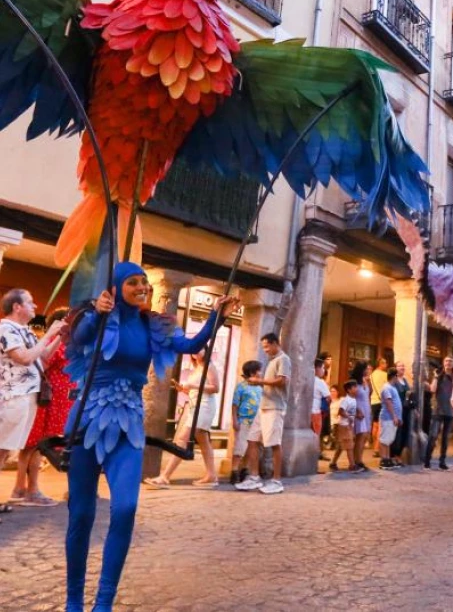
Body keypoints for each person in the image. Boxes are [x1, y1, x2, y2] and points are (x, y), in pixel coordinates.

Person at [64, 262, 237, 612]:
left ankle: (104, 603)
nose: (142, 287)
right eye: (132, 282)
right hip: (87, 419)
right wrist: (97, 313)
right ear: (115, 287)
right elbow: (80, 338)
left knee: (125, 508)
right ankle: (73, 602)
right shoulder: (93, 316)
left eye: (144, 282)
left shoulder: (151, 325)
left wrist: (215, 316)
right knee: (81, 514)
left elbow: (189, 345)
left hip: (128, 423)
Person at [0, 288, 65, 519]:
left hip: (25, 397)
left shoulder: (23, 330)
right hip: (11, 397)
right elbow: (24, 358)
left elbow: (43, 358)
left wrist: (58, 335)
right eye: (30, 302)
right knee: (1, 449)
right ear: (17, 307)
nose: (35, 306)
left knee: (5, 450)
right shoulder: (6, 328)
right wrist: (48, 335)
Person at [11, 307, 75, 508]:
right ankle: (29, 489)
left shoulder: (64, 344)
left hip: (57, 403)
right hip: (49, 402)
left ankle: (23, 489)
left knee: (35, 446)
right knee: (36, 445)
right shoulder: (52, 344)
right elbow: (43, 365)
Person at [145, 350, 221, 488]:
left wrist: (192, 386)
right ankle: (211, 475)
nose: (196, 352)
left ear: (206, 350)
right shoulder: (196, 368)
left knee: (182, 439)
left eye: (200, 349)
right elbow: (195, 390)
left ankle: (165, 476)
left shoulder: (209, 366)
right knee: (203, 440)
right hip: (195, 405)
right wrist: (183, 389)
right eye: (194, 349)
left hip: (203, 406)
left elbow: (215, 388)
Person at [235, 332, 291, 495]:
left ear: (275, 343)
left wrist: (259, 381)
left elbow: (282, 381)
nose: (265, 350)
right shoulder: (272, 361)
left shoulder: (283, 359)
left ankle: (276, 480)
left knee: (274, 444)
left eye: (266, 346)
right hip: (263, 406)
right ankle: (254, 477)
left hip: (275, 407)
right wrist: (257, 383)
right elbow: (271, 384)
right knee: (252, 440)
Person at [228, 360, 262, 484]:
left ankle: (244, 469)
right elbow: (235, 404)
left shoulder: (260, 386)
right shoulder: (241, 386)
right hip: (244, 420)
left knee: (250, 447)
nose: (261, 373)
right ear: (252, 372)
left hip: (256, 421)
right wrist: (235, 420)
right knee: (240, 446)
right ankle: (234, 471)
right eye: (259, 370)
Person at [423, 356, 453, 470]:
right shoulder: (439, 375)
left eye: (450, 361)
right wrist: (436, 377)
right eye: (446, 361)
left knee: (445, 438)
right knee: (433, 436)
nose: (448, 363)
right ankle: (427, 460)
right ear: (443, 362)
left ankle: (442, 461)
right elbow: (432, 389)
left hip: (451, 411)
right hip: (438, 410)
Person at [330, 380, 359, 472]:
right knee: (349, 446)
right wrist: (349, 418)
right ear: (349, 390)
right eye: (354, 387)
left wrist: (358, 415)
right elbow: (341, 411)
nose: (356, 389)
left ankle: (333, 463)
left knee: (341, 446)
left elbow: (352, 411)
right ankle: (352, 465)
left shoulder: (353, 400)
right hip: (344, 426)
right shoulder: (346, 400)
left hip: (348, 426)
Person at [378, 367, 402, 470]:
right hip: (388, 417)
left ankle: (387, 458)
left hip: (392, 418)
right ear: (394, 376)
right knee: (384, 439)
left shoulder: (393, 387)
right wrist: (394, 416)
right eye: (397, 376)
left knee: (389, 439)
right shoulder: (386, 387)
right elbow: (388, 402)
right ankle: (384, 460)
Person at [390, 361, 412, 467]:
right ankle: (393, 456)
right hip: (397, 410)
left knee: (404, 433)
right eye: (400, 366)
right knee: (396, 434)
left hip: (406, 410)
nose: (402, 367)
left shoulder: (405, 380)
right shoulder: (394, 381)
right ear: (395, 368)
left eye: (403, 365)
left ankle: (398, 455)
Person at [311, 358, 331, 461]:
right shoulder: (320, 382)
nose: (323, 370)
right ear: (317, 368)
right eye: (322, 368)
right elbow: (328, 397)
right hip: (316, 412)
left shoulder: (307, 379)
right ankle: (314, 458)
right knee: (316, 435)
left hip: (305, 412)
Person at [369, 357, 388, 454]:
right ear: (381, 364)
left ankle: (374, 446)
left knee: (375, 424)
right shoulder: (385, 375)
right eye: (385, 363)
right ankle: (377, 448)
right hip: (382, 401)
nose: (386, 365)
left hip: (373, 401)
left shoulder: (371, 375)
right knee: (381, 425)